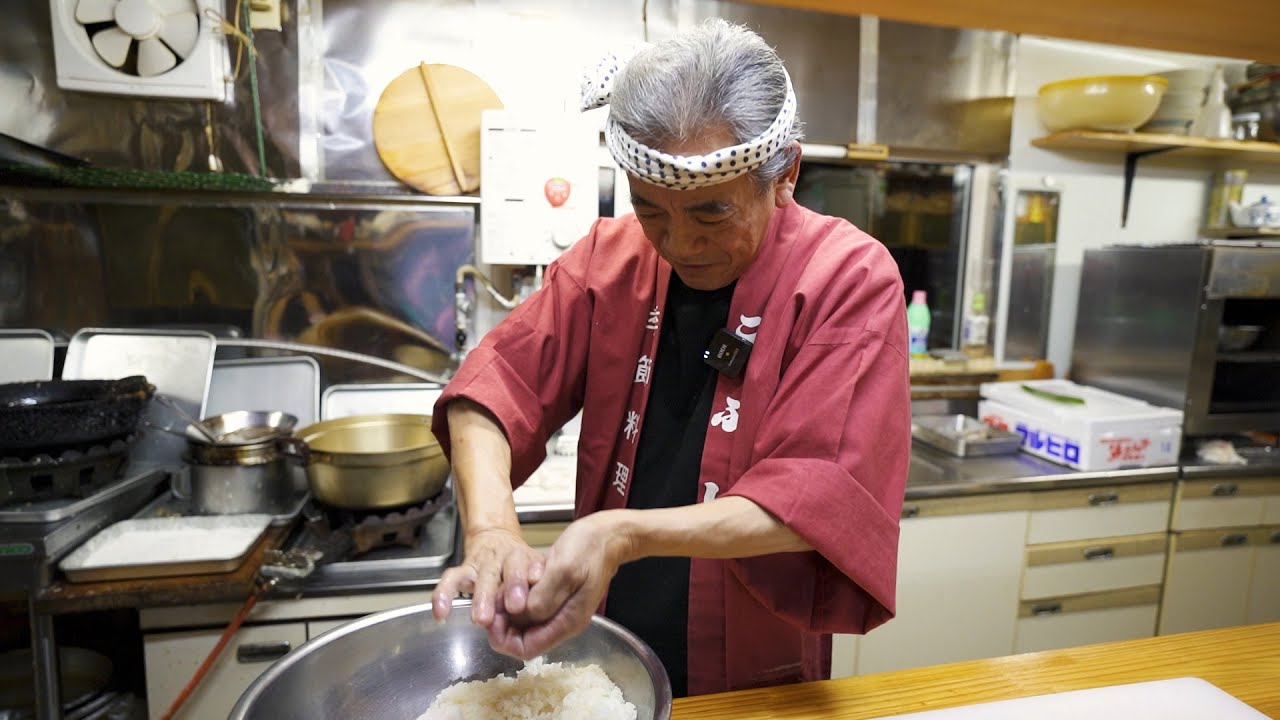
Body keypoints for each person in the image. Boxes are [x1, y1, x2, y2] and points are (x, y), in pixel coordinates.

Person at [430, 18, 910, 697]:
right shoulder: (610, 258)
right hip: (603, 651)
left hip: (753, 667)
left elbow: (816, 495)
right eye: (650, 208)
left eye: (711, 214)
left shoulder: (847, 278)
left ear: (785, 174)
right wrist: (491, 530)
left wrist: (622, 534)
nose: (679, 243)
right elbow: (491, 389)